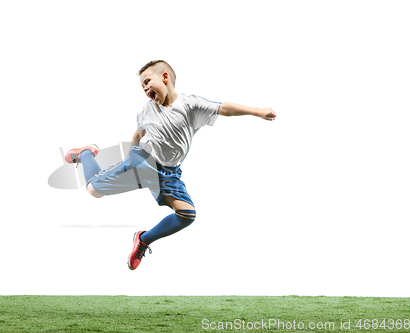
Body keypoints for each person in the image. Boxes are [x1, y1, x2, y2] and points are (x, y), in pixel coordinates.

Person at [65, 60, 276, 270]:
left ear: (165, 77)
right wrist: (132, 153)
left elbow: (223, 108)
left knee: (187, 215)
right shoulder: (146, 111)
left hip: (168, 172)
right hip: (143, 161)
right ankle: (85, 154)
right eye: (142, 86)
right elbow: (139, 133)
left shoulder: (190, 105)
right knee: (93, 190)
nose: (145, 88)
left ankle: (144, 239)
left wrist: (257, 111)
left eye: (148, 82)